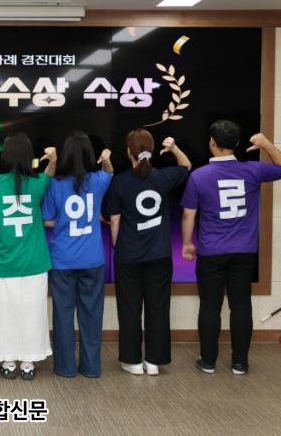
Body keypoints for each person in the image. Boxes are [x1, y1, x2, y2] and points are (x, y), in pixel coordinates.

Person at [180, 120, 281, 375]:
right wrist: (265, 144)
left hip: (211, 251)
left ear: (211, 142)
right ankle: (240, 363)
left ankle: (208, 361)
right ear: (238, 143)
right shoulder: (253, 170)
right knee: (241, 305)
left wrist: (187, 244)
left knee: (210, 305)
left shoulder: (199, 176)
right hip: (244, 251)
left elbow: (188, 214)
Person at [106, 129, 191, 376]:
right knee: (158, 308)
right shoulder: (163, 177)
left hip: (128, 255)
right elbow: (186, 166)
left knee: (129, 309)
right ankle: (154, 361)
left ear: (128, 152)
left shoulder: (119, 181)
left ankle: (132, 361)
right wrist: (174, 148)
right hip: (159, 255)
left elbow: (114, 220)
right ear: (152, 151)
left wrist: (117, 245)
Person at [0, 131, 56, 380]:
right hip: (35, 261)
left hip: (4, 261)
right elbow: (49, 175)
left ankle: (8, 361)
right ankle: (29, 362)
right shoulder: (37, 182)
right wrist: (53, 159)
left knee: (4, 312)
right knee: (33, 310)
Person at [41, 131, 113, 378]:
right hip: (92, 258)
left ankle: (65, 367)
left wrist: (62, 222)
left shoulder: (55, 184)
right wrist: (105, 159)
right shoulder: (99, 180)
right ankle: (91, 367)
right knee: (92, 314)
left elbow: (46, 218)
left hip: (62, 259)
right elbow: (109, 172)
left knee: (63, 314)